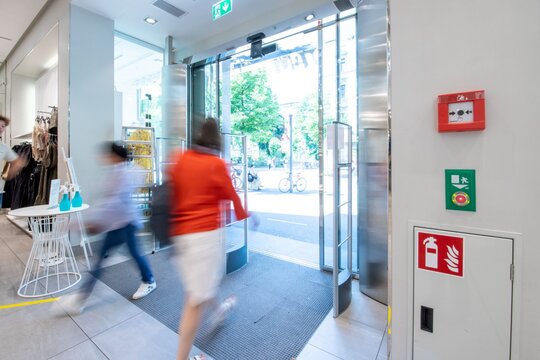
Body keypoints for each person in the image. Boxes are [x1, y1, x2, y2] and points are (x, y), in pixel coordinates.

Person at [169, 118, 250, 360]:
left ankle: (220, 310)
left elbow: (173, 187)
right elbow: (231, 195)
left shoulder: (181, 158)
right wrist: (246, 215)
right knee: (194, 300)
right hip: (205, 237)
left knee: (201, 285)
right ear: (218, 140)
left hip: (181, 235)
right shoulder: (216, 164)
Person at [65, 142, 156, 313]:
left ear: (115, 156)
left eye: (108, 154)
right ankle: (81, 298)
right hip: (116, 224)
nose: (105, 158)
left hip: (126, 223)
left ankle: (149, 280)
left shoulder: (123, 174)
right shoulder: (120, 172)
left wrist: (94, 222)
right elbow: (110, 201)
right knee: (103, 259)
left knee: (131, 254)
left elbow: (114, 202)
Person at [0, 116, 27, 180]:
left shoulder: (4, 148)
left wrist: (17, 166)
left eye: (3, 126)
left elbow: (18, 162)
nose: (0, 128)